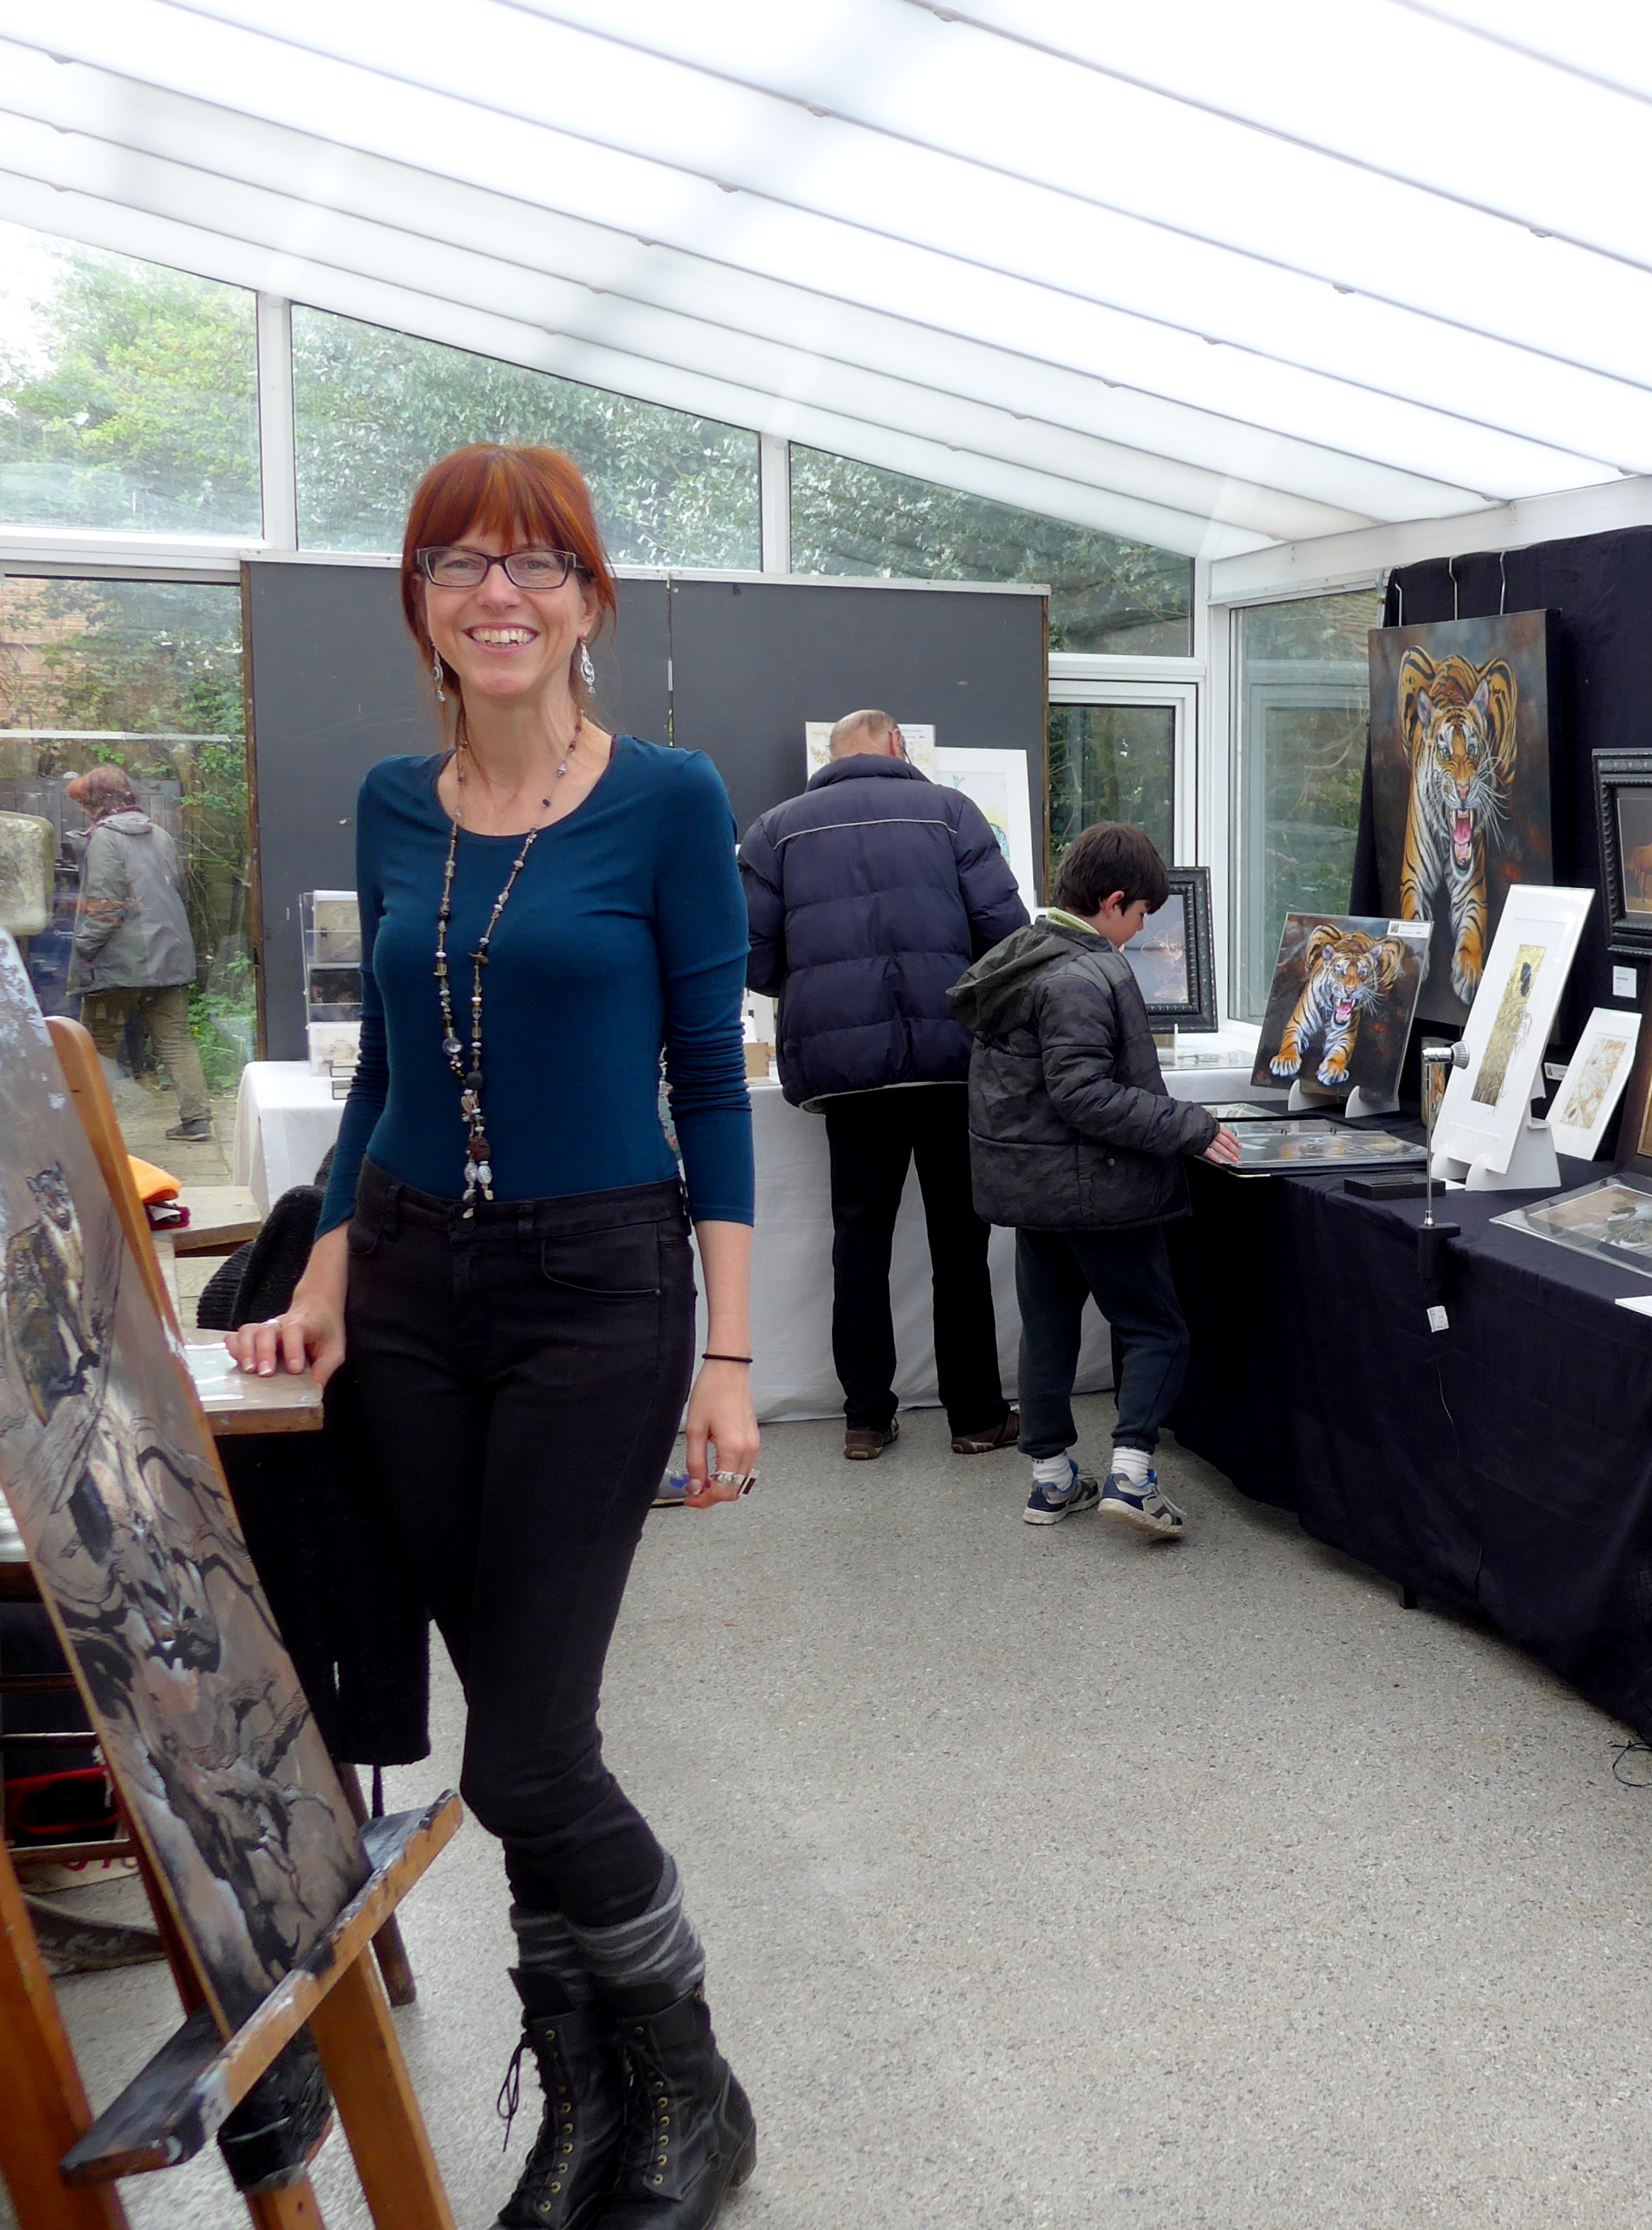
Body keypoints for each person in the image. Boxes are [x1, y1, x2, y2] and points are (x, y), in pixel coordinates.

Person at [225, 443, 760, 2230]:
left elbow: (711, 1089)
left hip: (599, 1291)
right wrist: (325, 1277)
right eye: (456, 565)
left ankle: (688, 2080)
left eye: (534, 563)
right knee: (527, 1716)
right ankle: (590, 2100)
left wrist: (734, 1358)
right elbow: (384, 1066)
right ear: (423, 612)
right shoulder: (394, 799)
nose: (496, 592)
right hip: (417, 1295)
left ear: (588, 600)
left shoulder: (668, 798)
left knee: (526, 1754)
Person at [738, 708, 1027, 1462]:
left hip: (846, 1075)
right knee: (958, 1244)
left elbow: (750, 953)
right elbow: (1007, 935)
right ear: (898, 745)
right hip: (947, 1059)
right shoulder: (951, 812)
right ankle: (974, 1417)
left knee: (858, 1242)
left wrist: (818, 988)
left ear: (829, 757)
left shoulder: (777, 829)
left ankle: (866, 1418)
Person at [948, 822, 1239, 1535]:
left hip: (1034, 1191)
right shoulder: (1085, 972)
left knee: (1046, 1331)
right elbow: (1081, 1094)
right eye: (1142, 915)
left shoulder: (1019, 955)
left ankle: (1051, 1483)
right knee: (1158, 1331)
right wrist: (1190, 1128)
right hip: (1100, 1193)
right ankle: (1133, 1476)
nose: (1141, 931)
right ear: (1112, 902)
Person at [65, 763, 213, 1143]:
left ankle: (97, 1131)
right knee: (177, 1039)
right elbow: (178, 893)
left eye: (85, 802)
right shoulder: (160, 835)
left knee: (99, 1045)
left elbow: (105, 905)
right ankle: (197, 1120)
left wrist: (82, 947)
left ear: (95, 802)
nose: (84, 809)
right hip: (170, 955)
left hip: (120, 963)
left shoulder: (104, 840)